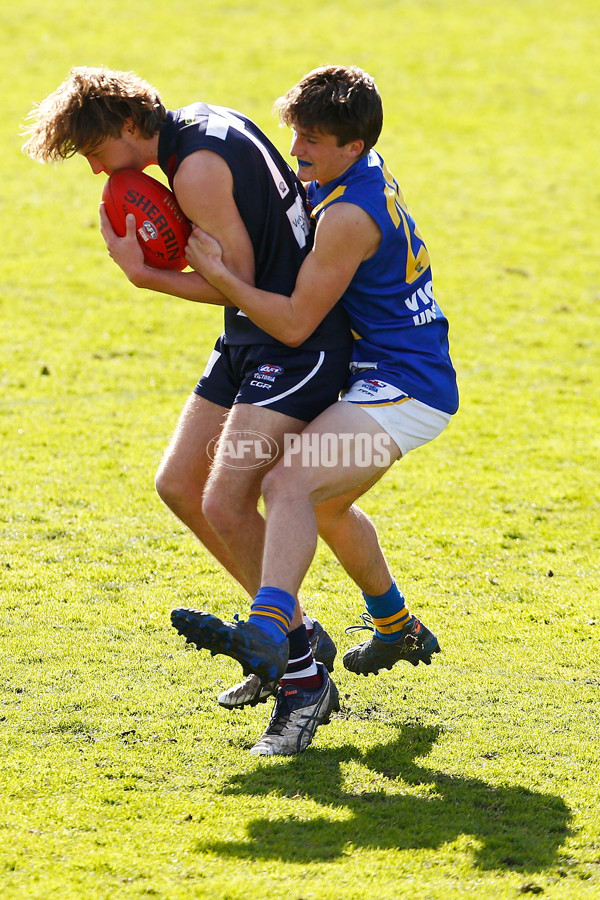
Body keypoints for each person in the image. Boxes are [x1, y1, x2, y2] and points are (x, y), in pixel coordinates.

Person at [22, 67, 404, 755]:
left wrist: (146, 276)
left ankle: (301, 678)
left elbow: (238, 281)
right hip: (247, 340)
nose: (97, 170)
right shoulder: (197, 122)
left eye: (94, 152)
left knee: (227, 502)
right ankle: (298, 635)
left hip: (294, 347)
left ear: (128, 126)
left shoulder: (195, 169)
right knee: (179, 484)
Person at [177, 65, 459, 756]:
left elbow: (295, 322)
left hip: (407, 391)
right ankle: (395, 625)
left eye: (313, 139)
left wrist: (219, 275)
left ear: (353, 147)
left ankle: (272, 630)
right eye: (296, 131)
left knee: (290, 484)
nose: (297, 148)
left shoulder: (348, 217)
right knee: (325, 507)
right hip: (376, 377)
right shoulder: (350, 177)